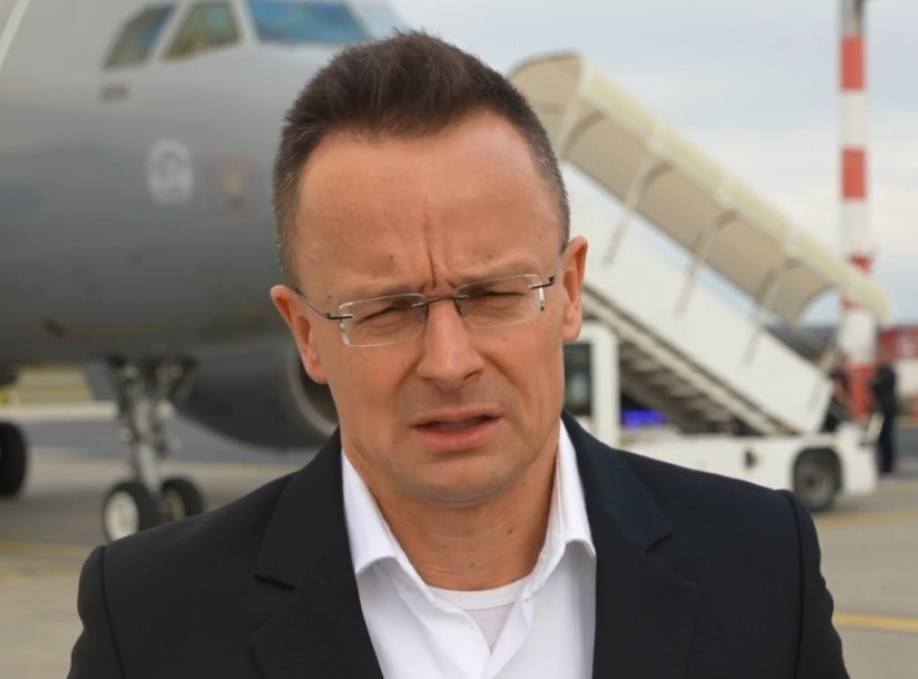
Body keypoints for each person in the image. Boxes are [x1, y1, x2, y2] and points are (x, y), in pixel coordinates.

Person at [68, 33, 849, 678]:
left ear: (569, 291)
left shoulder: (763, 565)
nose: (449, 362)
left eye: (494, 294)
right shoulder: (148, 620)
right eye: (384, 310)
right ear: (305, 333)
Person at [871, 345, 899, 475]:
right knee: (881, 439)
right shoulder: (881, 372)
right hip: (881, 409)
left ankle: (888, 466)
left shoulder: (889, 373)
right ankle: (883, 465)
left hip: (887, 409)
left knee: (887, 438)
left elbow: (878, 385)